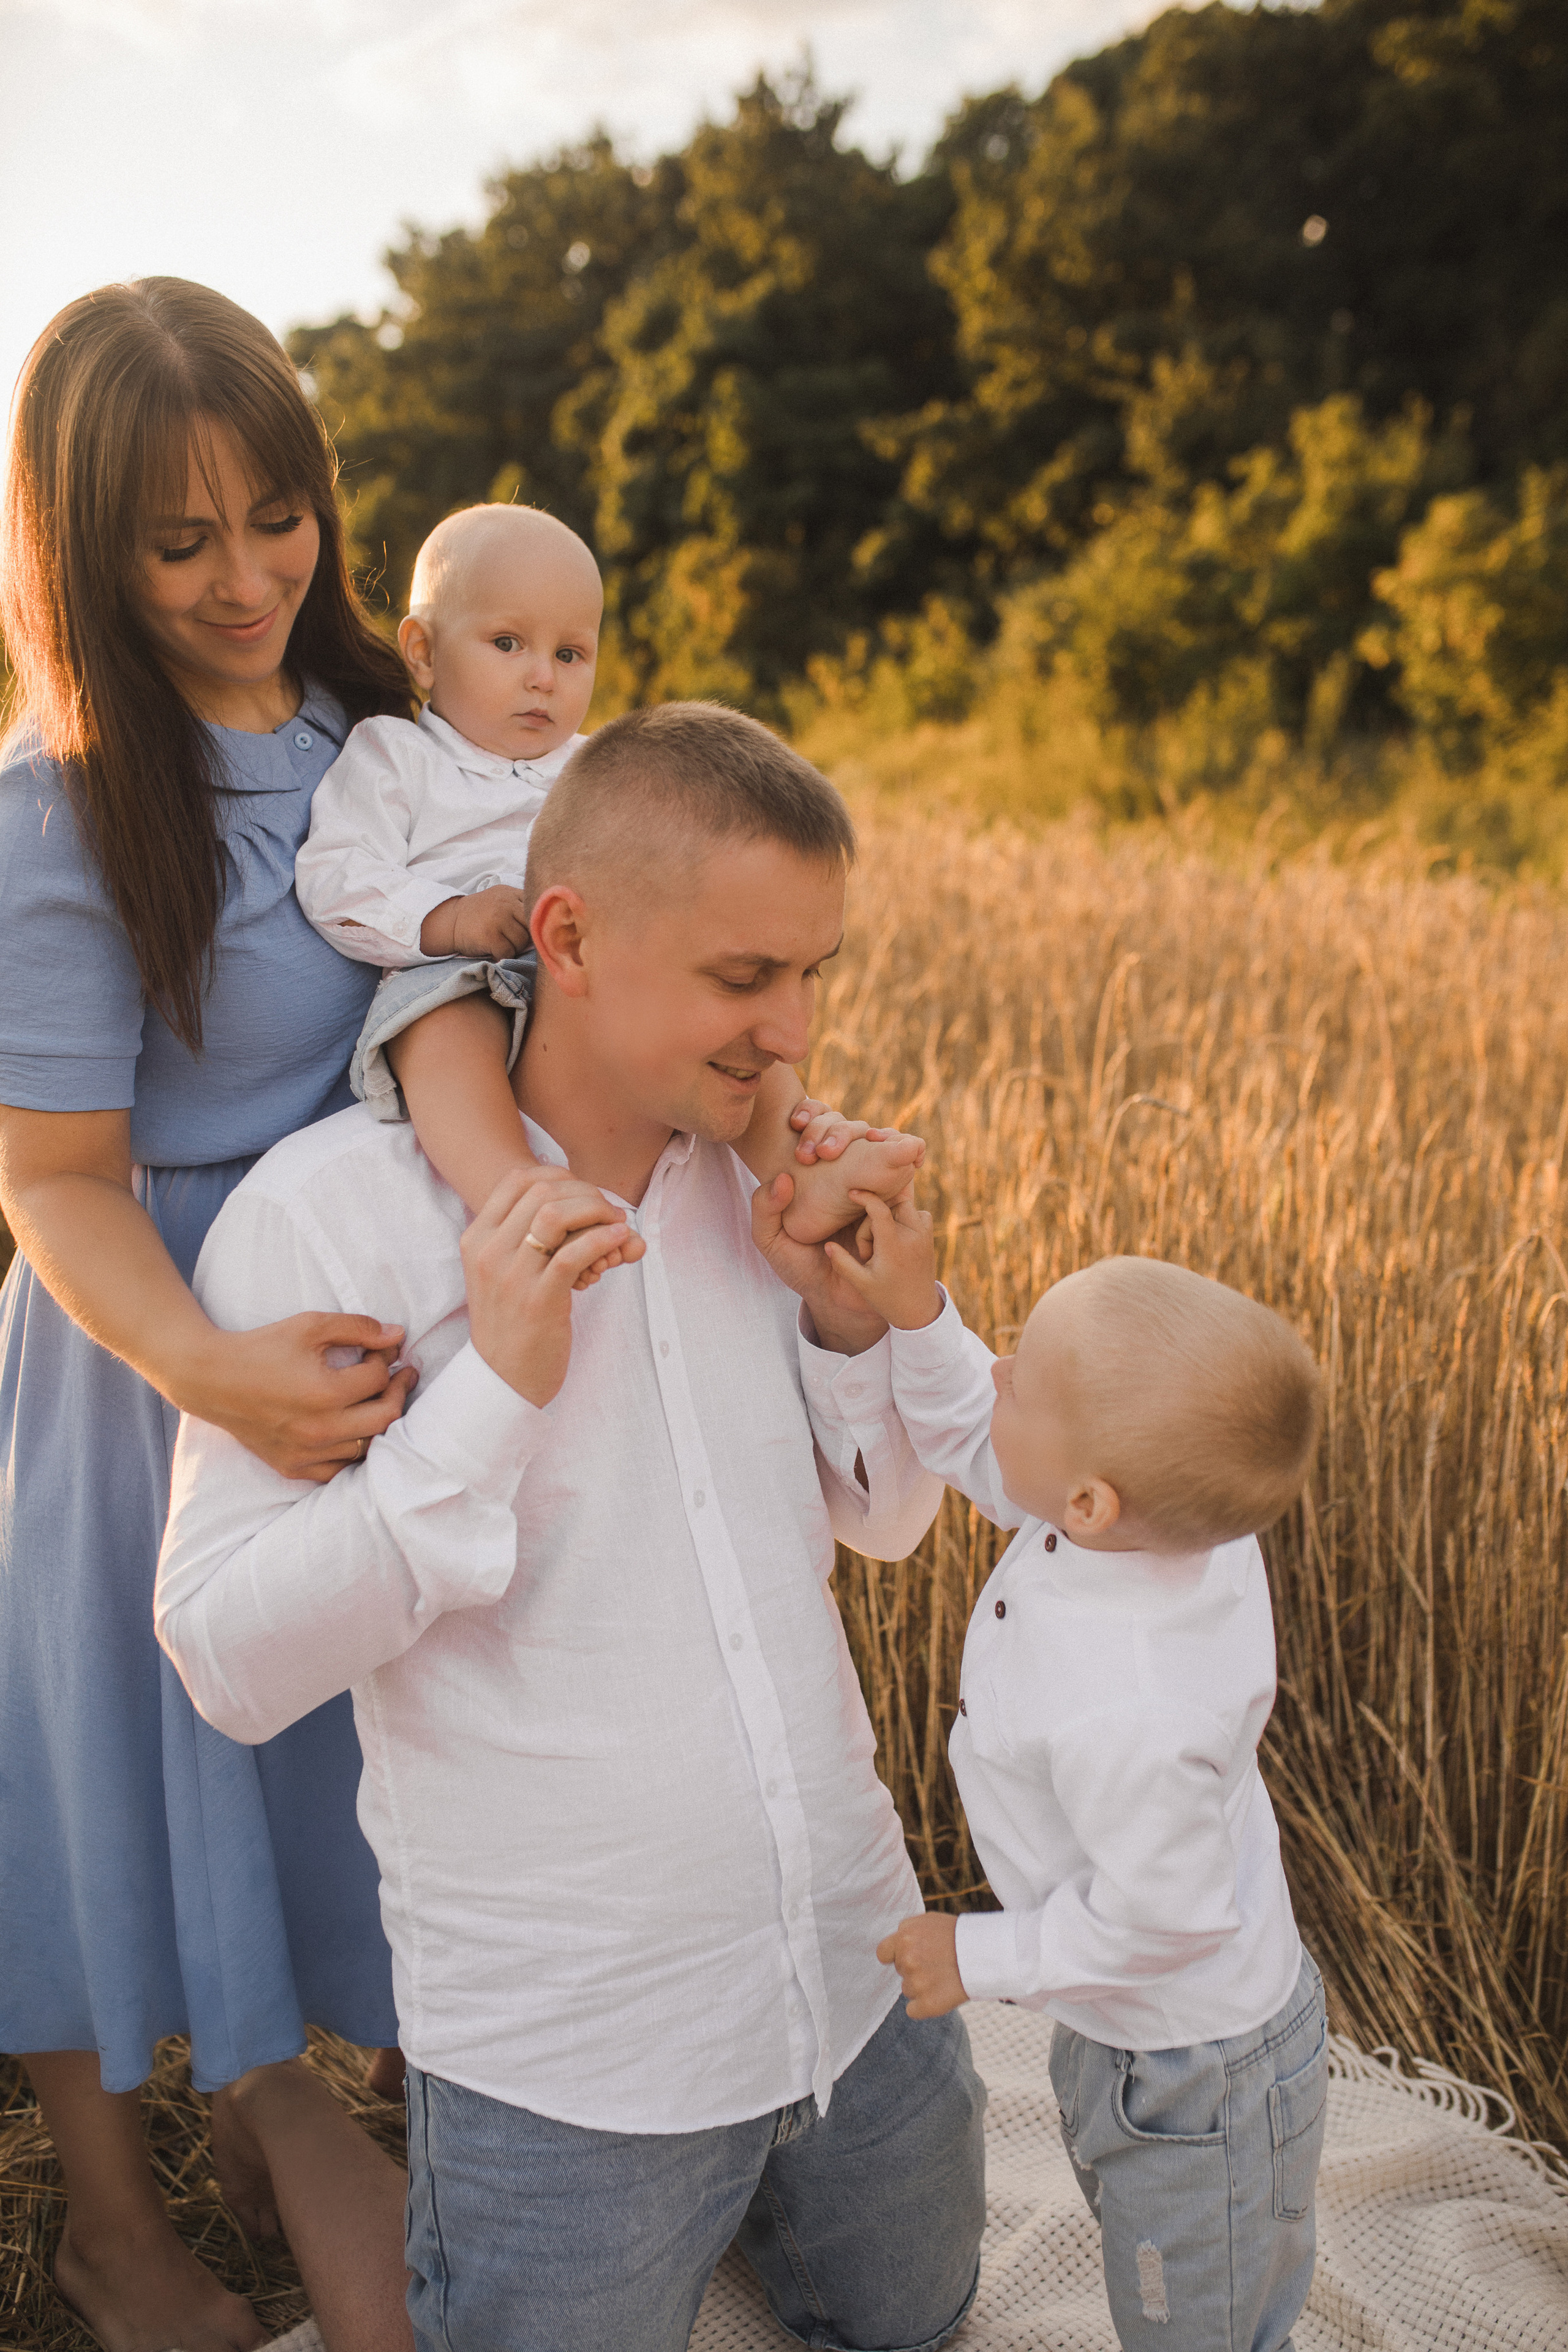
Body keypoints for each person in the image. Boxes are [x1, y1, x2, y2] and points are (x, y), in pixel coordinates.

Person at [156, 701, 989, 2352]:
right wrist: (495, 1391)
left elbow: (888, 1522)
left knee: (923, 2316)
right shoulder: (328, 1215)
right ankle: (309, 2123)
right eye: (745, 977)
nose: (794, 1029)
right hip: (572, 2063)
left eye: (813, 971)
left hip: (856, 1973)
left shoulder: (765, 1188)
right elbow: (224, 1659)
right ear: (569, 935)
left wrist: (854, 1320)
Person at [0, 278, 426, 2352]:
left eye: (278, 517)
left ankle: (299, 2111)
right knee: (108, 1762)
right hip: (157, 1366)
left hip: (361, 1340)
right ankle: (111, 2228)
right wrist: (209, 1373)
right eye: (180, 543)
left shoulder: (374, 735)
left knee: (364, 1756)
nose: (248, 578)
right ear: (88, 553)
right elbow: (54, 1180)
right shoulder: (64, 804)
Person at [831, 1215, 1329, 2352]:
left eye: (1025, 1375)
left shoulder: (1135, 1710)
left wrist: (981, 1956)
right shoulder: (1149, 1521)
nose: (998, 1368)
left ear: (1092, 1502)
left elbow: (1170, 1920)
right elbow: (983, 1433)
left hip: (1197, 2076)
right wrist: (918, 1313)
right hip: (1141, 2029)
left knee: (1195, 2324)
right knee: (1167, 2276)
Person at [296, 499, 924, 1243]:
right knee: (439, 1033)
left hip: (592, 979)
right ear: (423, 652)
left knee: (743, 1029)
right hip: (457, 969)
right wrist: (447, 920)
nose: (542, 677)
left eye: (570, 655)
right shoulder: (396, 756)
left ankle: (800, 1169)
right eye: (507, 643)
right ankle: (514, 1188)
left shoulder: (598, 767)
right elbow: (336, 875)